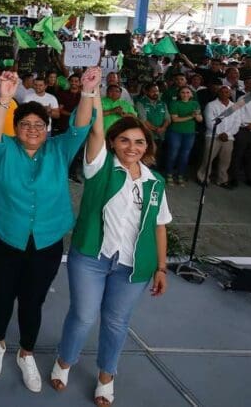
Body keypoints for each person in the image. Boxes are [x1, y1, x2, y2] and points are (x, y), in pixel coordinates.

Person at [0, 67, 98, 394]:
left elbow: (81, 126)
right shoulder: (3, 149)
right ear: (16, 129)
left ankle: (26, 353)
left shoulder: (58, 150)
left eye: (39, 125)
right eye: (25, 124)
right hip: (5, 235)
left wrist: (88, 90)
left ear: (47, 130)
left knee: (33, 301)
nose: (32, 129)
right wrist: (4, 100)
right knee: (3, 292)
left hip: (46, 241)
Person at [51, 108, 171, 407]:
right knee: (83, 316)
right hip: (92, 258)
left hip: (133, 267)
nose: (132, 147)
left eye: (139, 142)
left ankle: (107, 376)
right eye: (125, 140)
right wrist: (92, 93)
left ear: (147, 146)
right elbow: (95, 133)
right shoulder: (100, 167)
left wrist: (161, 267)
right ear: (113, 143)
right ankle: (65, 361)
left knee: (117, 322)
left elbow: (159, 226)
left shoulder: (155, 181)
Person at [197, 84, 241, 187]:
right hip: (212, 136)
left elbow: (237, 122)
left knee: (225, 160)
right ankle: (203, 177)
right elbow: (209, 121)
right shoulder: (211, 105)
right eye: (222, 91)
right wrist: (220, 133)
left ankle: (222, 180)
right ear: (218, 93)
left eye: (227, 92)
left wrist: (228, 134)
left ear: (230, 93)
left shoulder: (234, 107)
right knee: (208, 158)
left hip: (228, 137)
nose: (224, 94)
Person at [164, 85, 202, 185]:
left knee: (185, 155)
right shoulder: (175, 103)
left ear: (191, 94)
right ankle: (169, 174)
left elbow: (200, 119)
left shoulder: (195, 103)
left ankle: (180, 175)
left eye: (187, 92)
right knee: (173, 154)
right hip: (176, 132)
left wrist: (197, 115)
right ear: (179, 94)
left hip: (190, 133)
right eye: (183, 92)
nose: (185, 94)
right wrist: (191, 116)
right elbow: (175, 119)